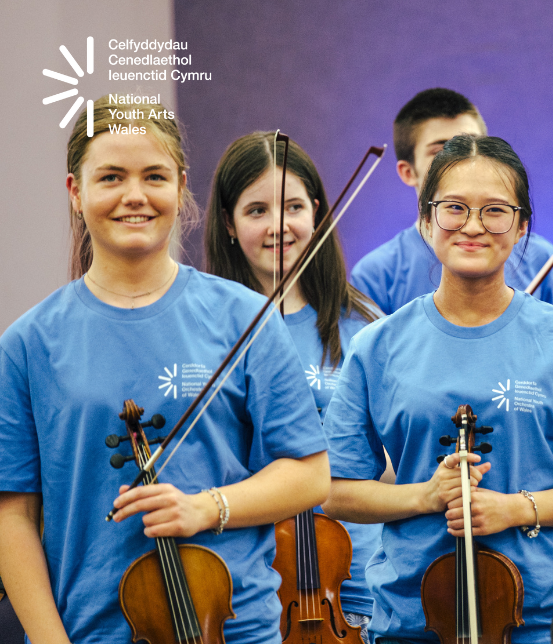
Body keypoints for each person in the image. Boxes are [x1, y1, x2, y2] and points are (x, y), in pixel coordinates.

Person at [0, 97, 329, 644]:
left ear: (180, 187)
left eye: (154, 176)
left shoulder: (246, 319)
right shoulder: (27, 344)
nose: (135, 196)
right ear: (75, 193)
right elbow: (13, 517)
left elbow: (309, 474)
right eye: (110, 177)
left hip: (233, 629)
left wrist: (205, 508)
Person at [323, 134, 553, 643]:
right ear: (426, 223)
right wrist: (425, 496)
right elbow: (337, 492)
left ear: (522, 227)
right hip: (413, 619)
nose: (473, 226)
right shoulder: (377, 345)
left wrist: (517, 508)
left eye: (495, 210)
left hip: (537, 618)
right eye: (453, 208)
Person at [205, 131, 382, 641]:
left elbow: (392, 465)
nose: (278, 226)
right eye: (256, 210)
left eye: (293, 207)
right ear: (229, 225)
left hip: (351, 591)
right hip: (246, 592)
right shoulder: (207, 329)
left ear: (318, 214)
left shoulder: (366, 327)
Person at [349, 88, 553, 315]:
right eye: (440, 150)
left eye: (472, 145)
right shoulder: (376, 274)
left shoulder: (546, 260)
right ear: (408, 171)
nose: (461, 160)